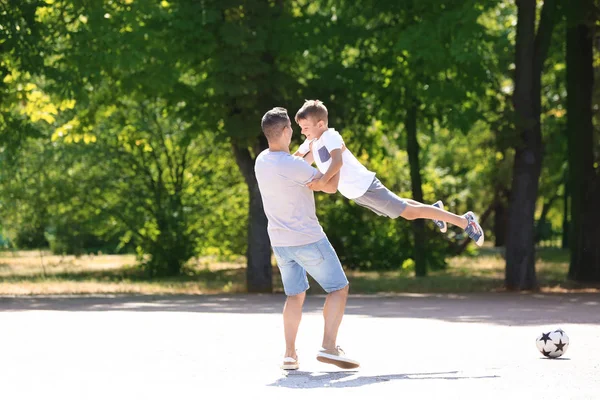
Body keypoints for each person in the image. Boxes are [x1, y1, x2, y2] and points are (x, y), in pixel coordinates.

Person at [293, 99, 484, 246]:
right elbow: (297, 159)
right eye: (301, 128)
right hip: (357, 193)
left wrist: (322, 182)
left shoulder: (330, 136)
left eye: (306, 128)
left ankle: (464, 221)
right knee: (402, 206)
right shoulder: (313, 142)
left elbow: (337, 162)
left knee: (408, 213)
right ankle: (434, 210)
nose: (302, 132)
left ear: (320, 124)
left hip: (365, 187)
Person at [254, 107, 360, 371]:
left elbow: (292, 169)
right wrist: (337, 157)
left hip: (280, 243)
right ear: (287, 131)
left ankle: (289, 355)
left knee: (295, 295)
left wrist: (309, 151)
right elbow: (332, 187)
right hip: (308, 239)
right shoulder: (293, 165)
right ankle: (329, 346)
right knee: (338, 288)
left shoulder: (262, 160)